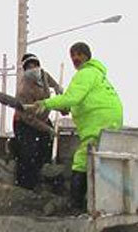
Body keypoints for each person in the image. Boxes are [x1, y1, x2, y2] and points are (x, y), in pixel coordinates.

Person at [24, 42, 123, 211]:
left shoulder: (85, 74)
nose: (75, 59)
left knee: (81, 161)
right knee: (95, 161)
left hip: (98, 121)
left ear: (87, 56)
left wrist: (44, 103)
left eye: (79, 54)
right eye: (73, 56)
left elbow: (72, 97)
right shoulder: (97, 75)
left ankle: (76, 206)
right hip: (108, 120)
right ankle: (93, 204)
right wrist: (65, 107)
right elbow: (79, 100)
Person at [13, 53, 63, 190]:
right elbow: (29, 118)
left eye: (35, 65)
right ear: (25, 70)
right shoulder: (24, 90)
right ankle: (26, 187)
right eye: (29, 67)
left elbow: (51, 83)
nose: (33, 69)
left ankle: (46, 182)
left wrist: (58, 88)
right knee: (28, 154)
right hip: (25, 123)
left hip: (42, 118)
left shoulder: (43, 75)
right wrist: (47, 129)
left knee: (47, 147)